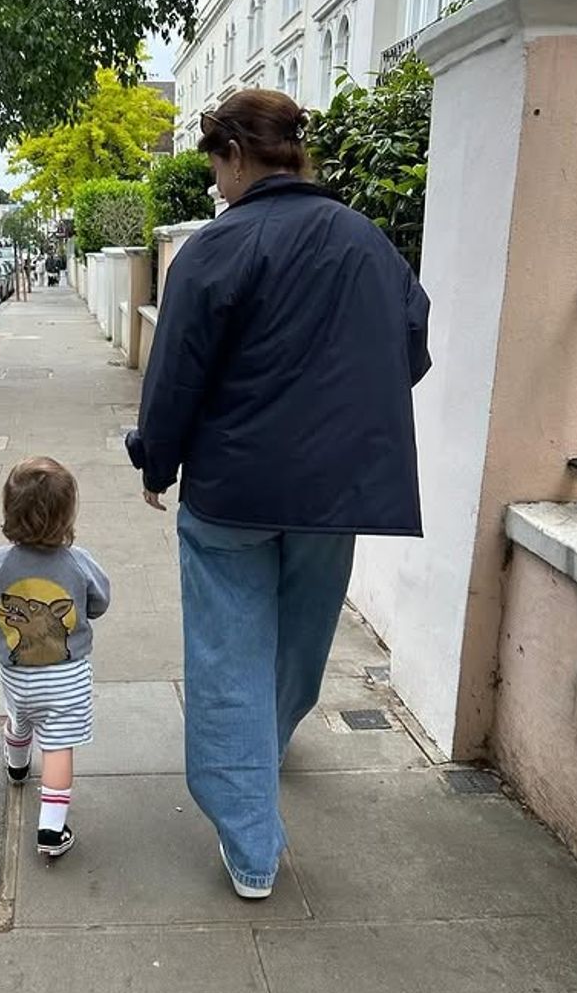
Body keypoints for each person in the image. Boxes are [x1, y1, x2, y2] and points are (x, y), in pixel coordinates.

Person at [125, 89, 431, 900]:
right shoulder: (367, 242)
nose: (215, 185)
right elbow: (412, 342)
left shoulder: (217, 249)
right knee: (299, 641)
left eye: (215, 167)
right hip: (337, 494)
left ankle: (251, 842)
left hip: (234, 491)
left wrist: (157, 461)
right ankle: (269, 743)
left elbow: (175, 374)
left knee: (230, 654)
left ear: (234, 156)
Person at [0, 457, 111, 858]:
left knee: (20, 716)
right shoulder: (78, 562)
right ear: (67, 516)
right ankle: (50, 829)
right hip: (67, 678)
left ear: (9, 512)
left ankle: (16, 765)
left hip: (16, 673)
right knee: (58, 747)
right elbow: (100, 603)